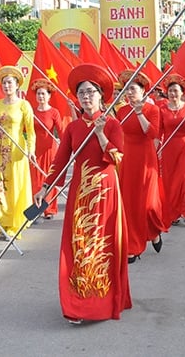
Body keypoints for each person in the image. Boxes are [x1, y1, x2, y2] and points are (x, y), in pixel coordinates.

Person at [33, 63, 131, 324]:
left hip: (106, 191)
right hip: (80, 194)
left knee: (103, 245)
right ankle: (78, 303)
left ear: (101, 95)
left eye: (91, 92)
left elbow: (117, 158)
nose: (86, 97)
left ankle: (103, 300)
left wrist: (100, 134)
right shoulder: (72, 128)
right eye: (82, 93)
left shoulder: (111, 124)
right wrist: (45, 187)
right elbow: (60, 162)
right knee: (79, 245)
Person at [0, 66, 36, 241]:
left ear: (17, 85)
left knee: (15, 187)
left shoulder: (24, 105)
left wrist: (31, 151)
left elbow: (30, 131)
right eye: (4, 83)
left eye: (10, 82)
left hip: (17, 151)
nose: (7, 86)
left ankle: (14, 225)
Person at [115, 69, 166, 263]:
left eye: (133, 89)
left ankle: (154, 231)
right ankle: (133, 246)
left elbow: (152, 133)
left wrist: (139, 113)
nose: (129, 93)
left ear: (144, 91)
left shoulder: (152, 110)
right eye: (127, 89)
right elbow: (117, 134)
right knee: (130, 203)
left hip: (146, 160)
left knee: (148, 204)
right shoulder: (121, 110)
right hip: (128, 159)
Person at [158, 74, 185, 227]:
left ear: (182, 93)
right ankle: (174, 213)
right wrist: (155, 149)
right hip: (168, 148)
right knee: (170, 182)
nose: (173, 94)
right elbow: (158, 132)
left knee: (184, 180)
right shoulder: (161, 109)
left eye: (176, 91)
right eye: (170, 91)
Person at [29, 78, 63, 220]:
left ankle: (49, 208)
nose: (41, 96)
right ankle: (36, 208)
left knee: (49, 179)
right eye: (38, 94)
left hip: (50, 150)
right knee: (36, 180)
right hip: (35, 150)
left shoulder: (54, 112)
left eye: (43, 94)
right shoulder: (31, 112)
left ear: (49, 96)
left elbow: (61, 131)